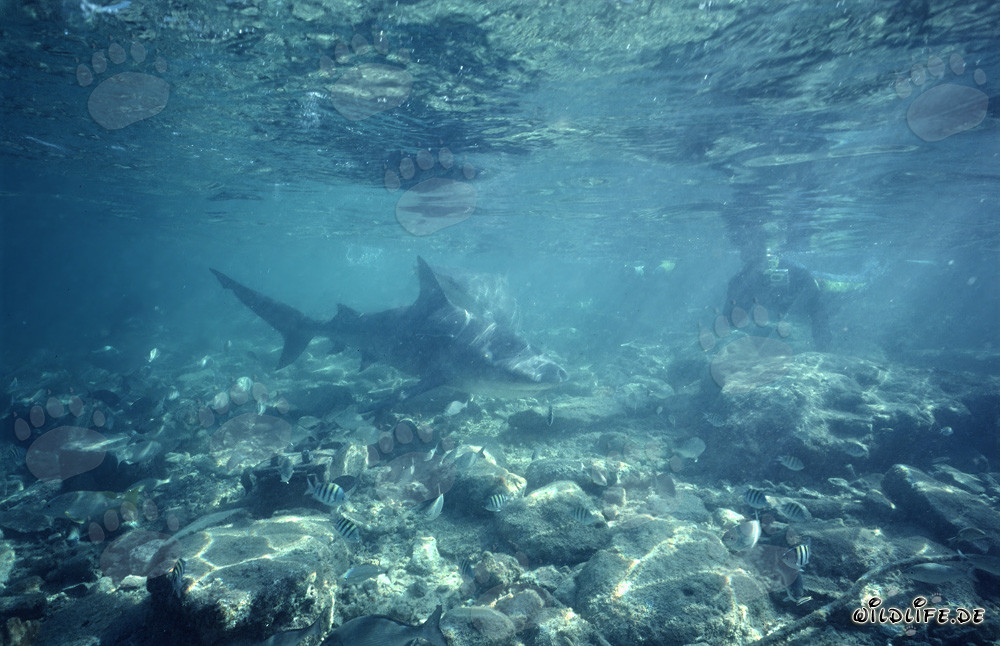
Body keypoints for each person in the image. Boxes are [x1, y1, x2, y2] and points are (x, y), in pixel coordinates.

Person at [723, 221, 832, 350]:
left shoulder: (793, 270)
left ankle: (863, 276)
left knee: (858, 284)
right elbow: (731, 317)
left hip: (824, 286)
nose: (744, 251)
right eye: (743, 246)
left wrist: (822, 342)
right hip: (799, 300)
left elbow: (816, 304)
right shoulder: (740, 280)